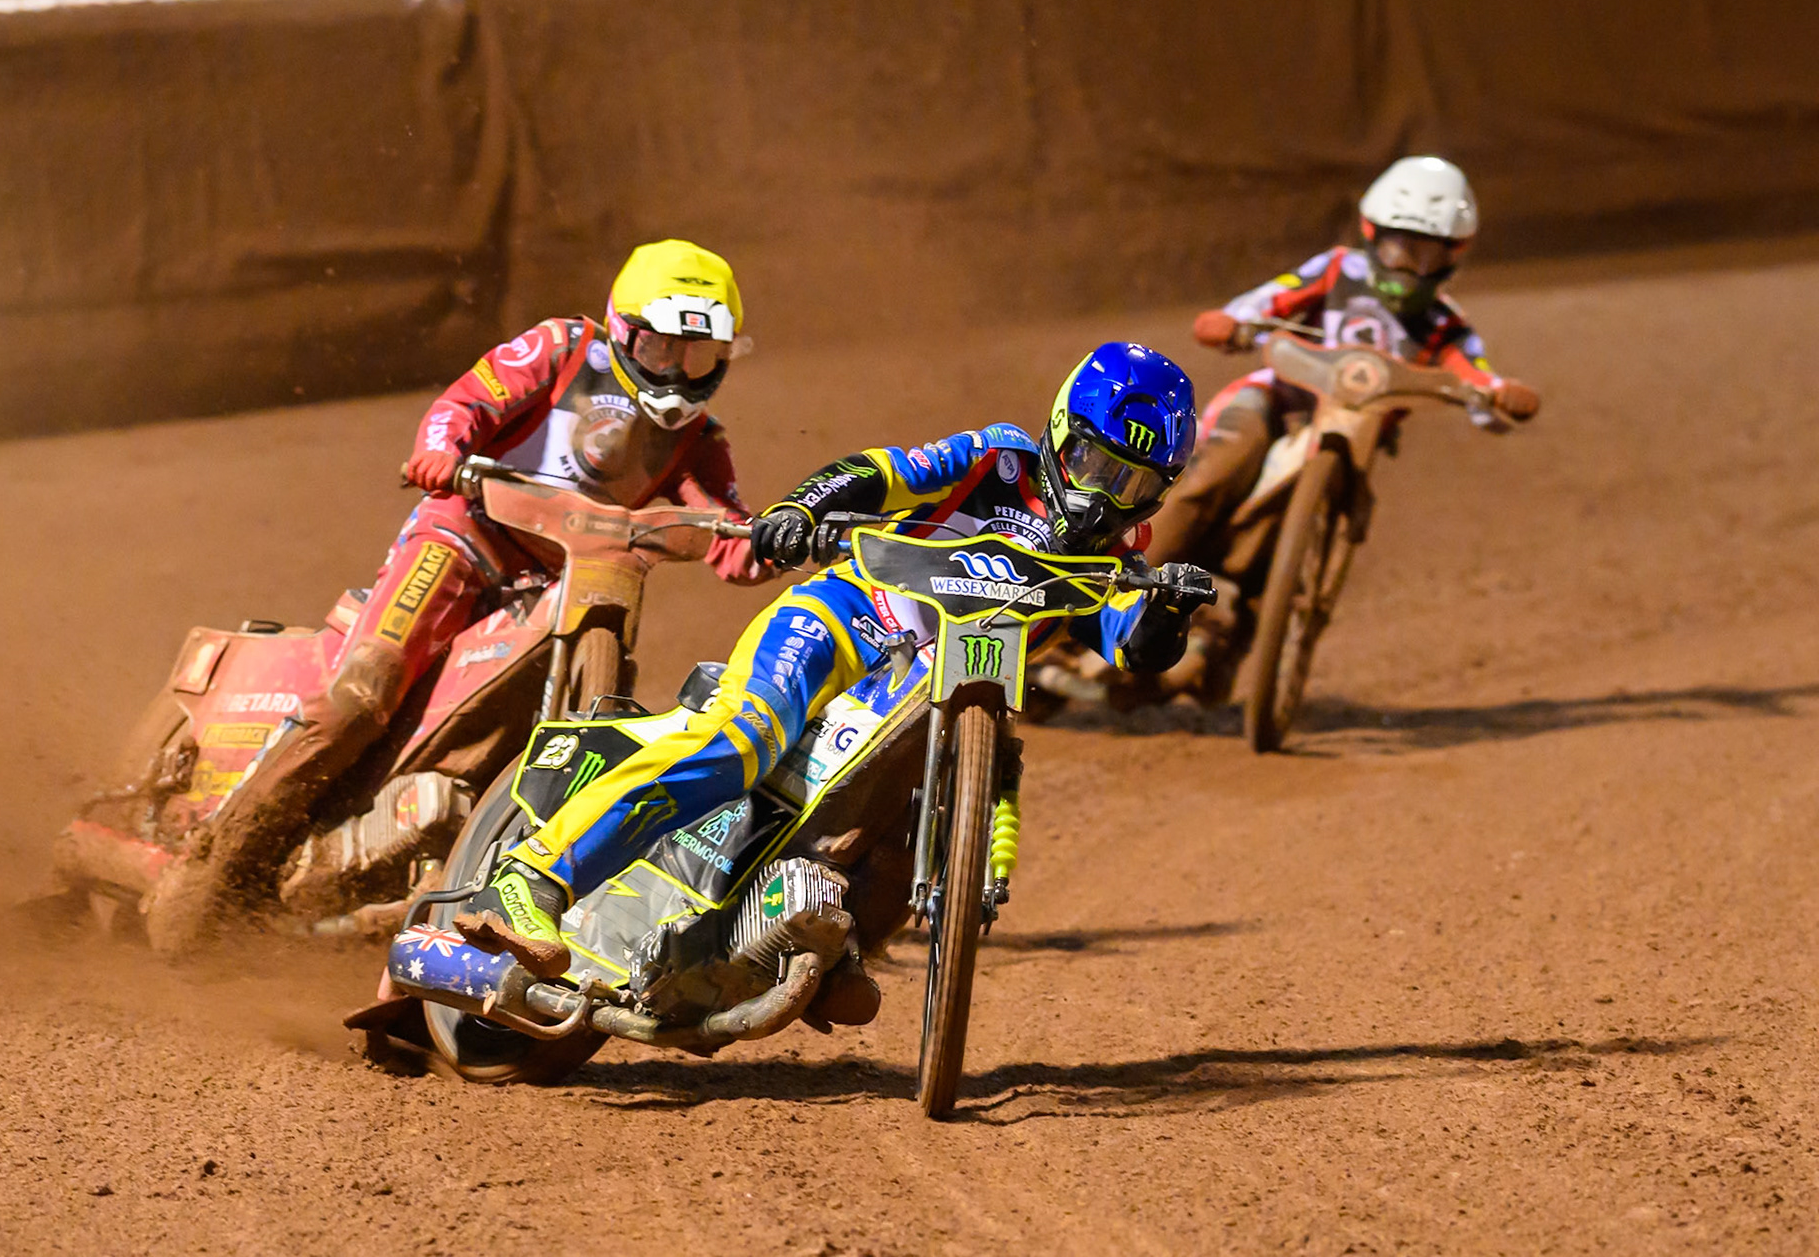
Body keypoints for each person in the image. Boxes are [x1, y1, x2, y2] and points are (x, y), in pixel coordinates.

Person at [452, 341, 1209, 1017]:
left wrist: (1169, 609)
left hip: (940, 694)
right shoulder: (997, 460)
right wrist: (798, 511)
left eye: (1135, 485)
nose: (1105, 496)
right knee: (743, 738)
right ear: (1058, 435)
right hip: (845, 618)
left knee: (932, 815)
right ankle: (535, 878)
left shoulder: (1116, 559)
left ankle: (809, 939)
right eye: (1094, 465)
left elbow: (1132, 646)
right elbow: (881, 475)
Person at [145, 239, 770, 952]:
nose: (677, 374)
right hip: (463, 539)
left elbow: (729, 533)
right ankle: (220, 864)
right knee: (364, 691)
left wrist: (785, 539)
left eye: (697, 357)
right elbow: (468, 402)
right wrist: (443, 449)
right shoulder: (563, 350)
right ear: (623, 330)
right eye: (662, 349)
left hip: (563, 586)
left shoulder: (700, 443)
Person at [1146, 155, 1541, 573]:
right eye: (1399, 249)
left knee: (1308, 536)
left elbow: (1477, 378)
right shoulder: (1336, 269)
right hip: (1277, 401)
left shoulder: (1448, 326)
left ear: (1452, 257)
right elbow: (1269, 301)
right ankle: (1115, 593)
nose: (1410, 267)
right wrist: (1235, 323)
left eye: (1426, 257)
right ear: (1373, 235)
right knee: (1214, 477)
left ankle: (1244, 620)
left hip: (1354, 441)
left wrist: (1499, 396)